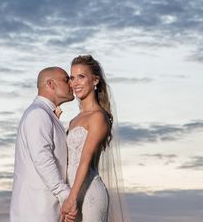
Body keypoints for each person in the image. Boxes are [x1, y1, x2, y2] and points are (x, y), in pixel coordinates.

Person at [61, 55, 130, 222]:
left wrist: (72, 198)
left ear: (95, 80)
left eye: (81, 76)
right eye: (72, 77)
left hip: (90, 193)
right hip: (71, 191)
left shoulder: (98, 117)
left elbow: (84, 160)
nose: (75, 83)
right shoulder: (73, 120)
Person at [10, 66, 78, 222]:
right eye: (66, 79)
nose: (71, 84)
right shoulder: (38, 114)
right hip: (37, 210)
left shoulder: (44, 114)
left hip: (45, 208)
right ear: (51, 84)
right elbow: (42, 158)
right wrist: (65, 194)